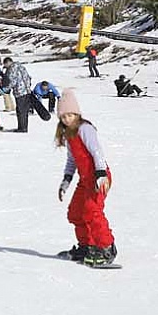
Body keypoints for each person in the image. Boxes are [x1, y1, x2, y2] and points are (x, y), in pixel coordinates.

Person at [55, 89, 117, 267]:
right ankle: (87, 246)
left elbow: (97, 151)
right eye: (64, 116)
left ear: (77, 114)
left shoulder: (85, 128)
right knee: (75, 212)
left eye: (71, 115)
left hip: (99, 178)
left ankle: (106, 247)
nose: (67, 119)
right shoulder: (69, 134)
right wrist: (66, 180)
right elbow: (72, 160)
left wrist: (100, 174)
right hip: (85, 180)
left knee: (92, 211)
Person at [2, 56, 33, 132]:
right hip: (27, 91)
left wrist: (5, 89)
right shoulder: (21, 66)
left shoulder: (11, 69)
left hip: (19, 92)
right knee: (24, 111)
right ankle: (24, 127)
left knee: (20, 110)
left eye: (5, 65)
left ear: (8, 63)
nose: (5, 67)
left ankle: (21, 128)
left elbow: (13, 82)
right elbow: (28, 77)